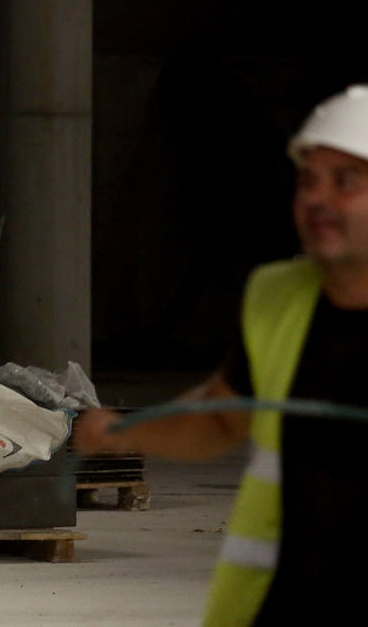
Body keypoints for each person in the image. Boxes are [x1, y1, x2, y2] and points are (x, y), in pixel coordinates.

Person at [74, 85, 368, 625]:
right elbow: (220, 418)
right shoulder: (279, 295)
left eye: (345, 181)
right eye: (308, 181)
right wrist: (125, 432)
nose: (318, 200)